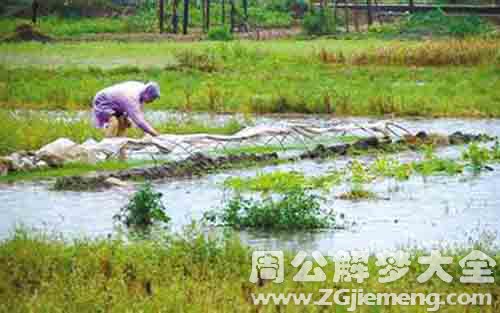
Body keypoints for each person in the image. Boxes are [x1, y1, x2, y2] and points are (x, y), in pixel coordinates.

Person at [92, 81, 160, 138]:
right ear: (147, 94)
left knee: (124, 123)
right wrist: (156, 135)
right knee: (114, 122)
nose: (152, 101)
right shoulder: (132, 97)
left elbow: (129, 107)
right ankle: (107, 147)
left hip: (116, 102)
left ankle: (121, 151)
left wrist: (126, 117)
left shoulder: (141, 91)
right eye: (152, 98)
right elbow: (140, 122)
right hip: (103, 100)